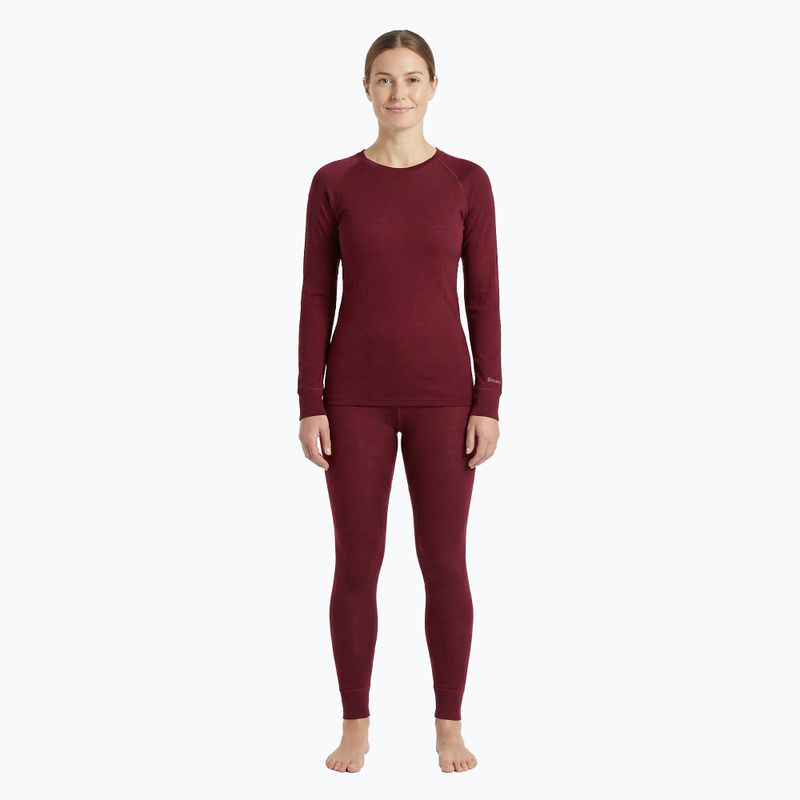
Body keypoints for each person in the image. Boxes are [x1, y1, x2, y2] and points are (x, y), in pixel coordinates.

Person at [297, 29, 502, 774]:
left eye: (412, 79)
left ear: (433, 87)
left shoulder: (466, 182)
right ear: (366, 88)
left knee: (444, 562)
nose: (399, 93)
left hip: (446, 400)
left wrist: (488, 398)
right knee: (357, 563)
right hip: (352, 401)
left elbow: (484, 297)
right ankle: (355, 724)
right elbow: (315, 296)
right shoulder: (334, 182)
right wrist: (310, 399)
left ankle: (449, 725)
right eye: (384, 79)